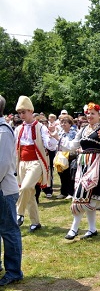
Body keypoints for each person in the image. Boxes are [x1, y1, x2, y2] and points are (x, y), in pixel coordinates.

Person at [58, 102, 100, 240]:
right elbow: (73, 145)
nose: (89, 116)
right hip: (83, 166)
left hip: (96, 166)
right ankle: (92, 229)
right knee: (88, 199)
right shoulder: (83, 129)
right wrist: (56, 138)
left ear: (99, 115)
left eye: (92, 114)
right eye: (88, 113)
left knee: (81, 196)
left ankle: (74, 229)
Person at [14, 96, 58, 232]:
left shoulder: (41, 128)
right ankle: (35, 222)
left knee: (25, 188)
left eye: (24, 112)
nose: (21, 115)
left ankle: (18, 213)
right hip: (22, 162)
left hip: (36, 162)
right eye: (19, 113)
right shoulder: (18, 129)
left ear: (30, 111)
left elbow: (50, 146)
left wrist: (52, 135)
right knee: (30, 193)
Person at [0, 95, 23, 286]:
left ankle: (14, 271)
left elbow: (3, 164)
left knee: (8, 230)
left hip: (3, 190)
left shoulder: (4, 131)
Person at [55, 115, 78, 199]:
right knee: (62, 174)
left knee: (70, 175)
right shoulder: (60, 133)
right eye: (62, 123)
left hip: (71, 156)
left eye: (65, 122)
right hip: (61, 156)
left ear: (70, 124)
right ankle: (63, 192)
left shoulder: (74, 133)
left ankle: (71, 193)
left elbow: (73, 145)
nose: (63, 124)